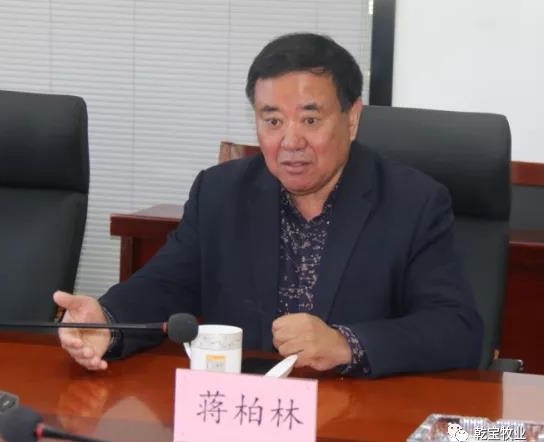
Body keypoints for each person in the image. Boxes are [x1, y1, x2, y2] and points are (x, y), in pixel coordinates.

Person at [57, 33, 483, 378]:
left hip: (356, 412)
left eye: (310, 120)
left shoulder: (412, 202)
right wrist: (107, 321)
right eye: (273, 120)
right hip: (247, 414)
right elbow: (165, 286)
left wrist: (346, 344)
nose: (291, 141)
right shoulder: (220, 193)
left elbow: (456, 330)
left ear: (352, 118)